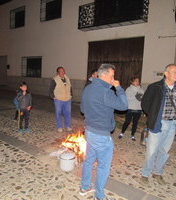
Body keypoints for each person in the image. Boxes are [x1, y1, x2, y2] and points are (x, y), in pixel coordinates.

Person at [80, 64, 128, 200]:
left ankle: (84, 187)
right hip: (101, 135)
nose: (114, 78)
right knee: (103, 167)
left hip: (89, 131)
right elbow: (123, 105)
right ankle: (99, 196)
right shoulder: (106, 92)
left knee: (89, 161)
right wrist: (118, 88)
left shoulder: (88, 88)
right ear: (105, 75)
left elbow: (83, 109)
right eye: (112, 76)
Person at [140, 64, 176, 186]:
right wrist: (153, 116)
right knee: (151, 151)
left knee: (165, 151)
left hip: (172, 123)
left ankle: (158, 172)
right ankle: (145, 174)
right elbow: (145, 104)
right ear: (166, 73)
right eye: (174, 72)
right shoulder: (155, 87)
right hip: (158, 123)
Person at [49, 66, 72, 133]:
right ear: (57, 73)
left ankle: (67, 126)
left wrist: (71, 95)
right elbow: (51, 90)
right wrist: (54, 97)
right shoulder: (54, 80)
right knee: (58, 113)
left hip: (67, 99)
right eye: (61, 71)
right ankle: (59, 127)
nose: (62, 72)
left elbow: (70, 87)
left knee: (67, 113)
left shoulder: (67, 79)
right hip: (58, 100)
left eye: (63, 71)